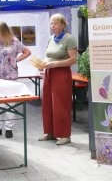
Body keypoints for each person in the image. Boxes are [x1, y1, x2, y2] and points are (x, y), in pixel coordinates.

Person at [0, 22, 31, 138]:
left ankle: (9, 128)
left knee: (10, 103)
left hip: (10, 76)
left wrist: (16, 60)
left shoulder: (14, 41)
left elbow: (27, 52)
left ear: (4, 32)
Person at [38, 13, 77, 145]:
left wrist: (55, 64)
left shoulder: (69, 38)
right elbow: (48, 56)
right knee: (47, 104)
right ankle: (50, 132)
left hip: (61, 74)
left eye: (55, 23)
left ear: (62, 24)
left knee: (61, 105)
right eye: (51, 23)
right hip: (49, 73)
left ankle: (65, 135)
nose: (52, 26)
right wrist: (42, 64)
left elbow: (73, 59)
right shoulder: (51, 39)